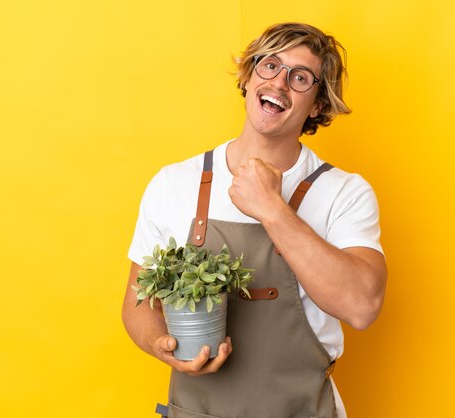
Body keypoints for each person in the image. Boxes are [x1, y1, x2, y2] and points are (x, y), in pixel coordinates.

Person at [122, 22, 388, 418]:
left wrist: (272, 208)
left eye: (300, 78)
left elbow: (363, 305)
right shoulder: (174, 183)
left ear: (317, 104)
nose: (279, 83)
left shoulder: (344, 193)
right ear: (248, 77)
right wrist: (160, 341)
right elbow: (136, 303)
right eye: (269, 65)